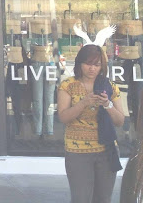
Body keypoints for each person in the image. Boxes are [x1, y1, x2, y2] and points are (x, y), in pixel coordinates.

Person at [58, 44, 125, 203]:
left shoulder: (109, 86)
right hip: (77, 152)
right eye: (88, 64)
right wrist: (83, 103)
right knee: (81, 198)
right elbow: (63, 117)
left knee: (103, 198)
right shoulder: (68, 85)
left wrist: (107, 105)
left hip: (106, 150)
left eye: (97, 65)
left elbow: (120, 121)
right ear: (79, 63)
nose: (92, 68)